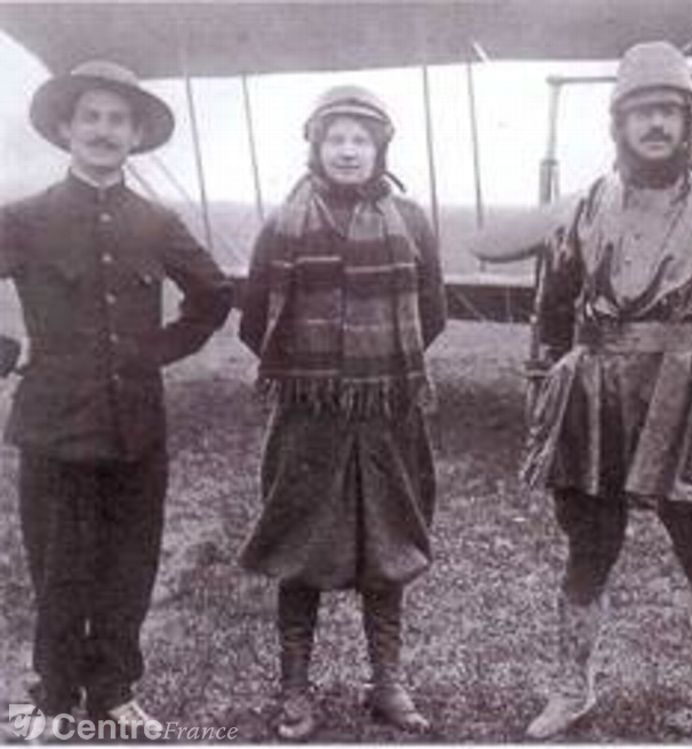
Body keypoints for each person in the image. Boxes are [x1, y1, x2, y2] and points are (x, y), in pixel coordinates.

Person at [519, 42, 692, 741]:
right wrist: (551, 385)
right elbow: (552, 312)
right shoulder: (583, 212)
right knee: (589, 546)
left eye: (670, 111)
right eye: (643, 112)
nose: (657, 125)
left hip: (690, 403)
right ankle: (571, 689)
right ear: (619, 124)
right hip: (596, 399)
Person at [0, 60, 232, 734]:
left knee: (130, 564)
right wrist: (13, 353)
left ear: (136, 136)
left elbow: (215, 295)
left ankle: (113, 694)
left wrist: (156, 350)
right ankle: (52, 698)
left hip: (137, 430)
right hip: (53, 430)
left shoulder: (156, 221)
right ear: (66, 128)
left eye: (118, 120)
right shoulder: (26, 218)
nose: (104, 131)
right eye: (92, 117)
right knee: (60, 568)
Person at [238, 85, 446, 740]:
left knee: (390, 542)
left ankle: (387, 684)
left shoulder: (410, 220)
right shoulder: (283, 223)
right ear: (316, 147)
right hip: (308, 414)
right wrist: (317, 372)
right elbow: (255, 320)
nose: (348, 150)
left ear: (379, 147)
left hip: (388, 411)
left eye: (361, 138)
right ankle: (294, 688)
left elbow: (431, 311)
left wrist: (376, 368)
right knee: (298, 543)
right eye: (336, 138)